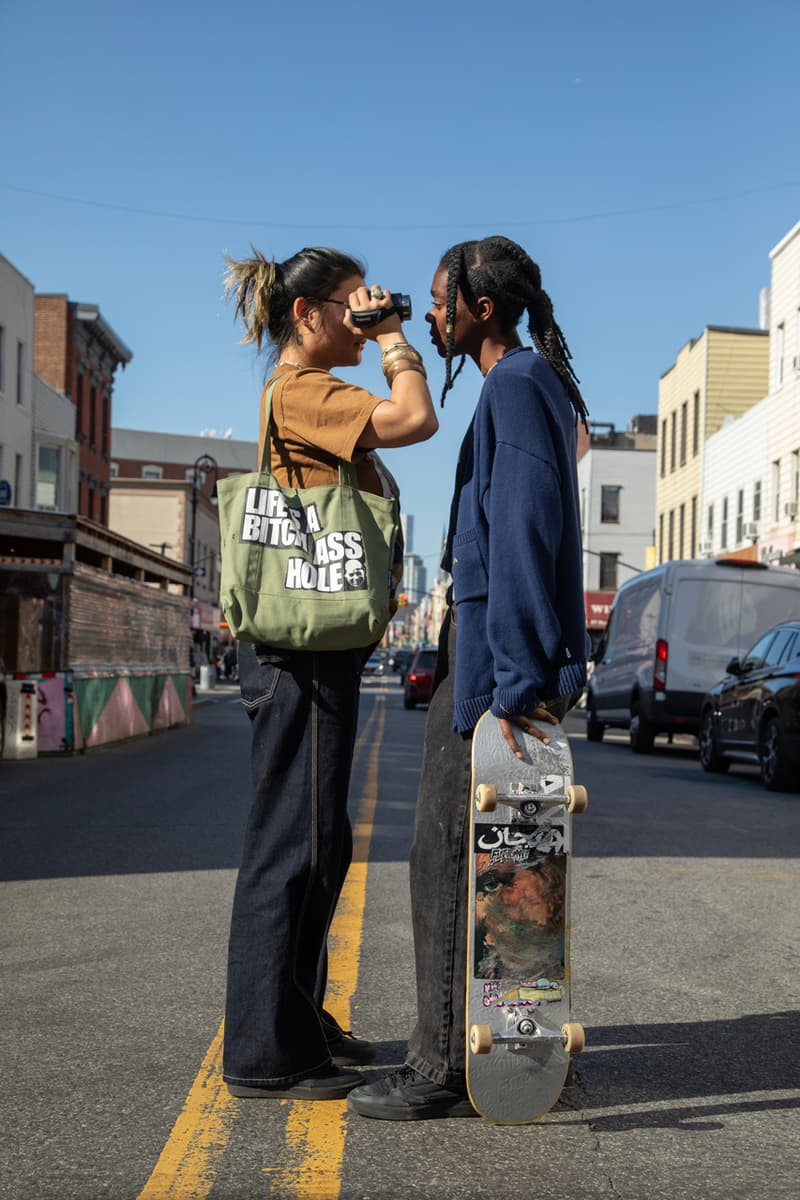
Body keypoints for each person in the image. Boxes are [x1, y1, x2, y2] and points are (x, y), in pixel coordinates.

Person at [347, 235, 589, 1120]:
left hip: (494, 663)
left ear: (483, 308)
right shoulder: (520, 386)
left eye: (442, 300)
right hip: (490, 653)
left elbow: (525, 533)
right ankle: (514, 1052)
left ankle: (442, 1062)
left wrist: (517, 681)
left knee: (447, 856)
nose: (434, 312)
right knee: (503, 863)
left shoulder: (516, 388)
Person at [222, 246, 437, 1101]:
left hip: (316, 649)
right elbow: (412, 417)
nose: (361, 317)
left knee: (321, 842)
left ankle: (297, 1019)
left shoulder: (303, 388)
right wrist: (394, 342)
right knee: (292, 845)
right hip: (299, 652)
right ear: (307, 314)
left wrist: (375, 325)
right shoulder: (303, 389)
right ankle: (266, 1056)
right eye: (348, 306)